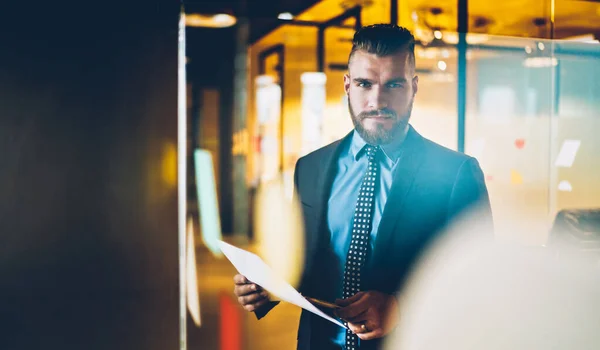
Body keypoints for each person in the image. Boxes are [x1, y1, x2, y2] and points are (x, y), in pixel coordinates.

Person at [233, 24, 493, 350]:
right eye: (364, 83)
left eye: (393, 84)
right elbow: (309, 267)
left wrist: (400, 307)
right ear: (347, 85)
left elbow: (483, 282)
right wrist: (267, 287)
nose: (377, 100)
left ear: (413, 87)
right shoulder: (310, 168)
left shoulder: (456, 174)